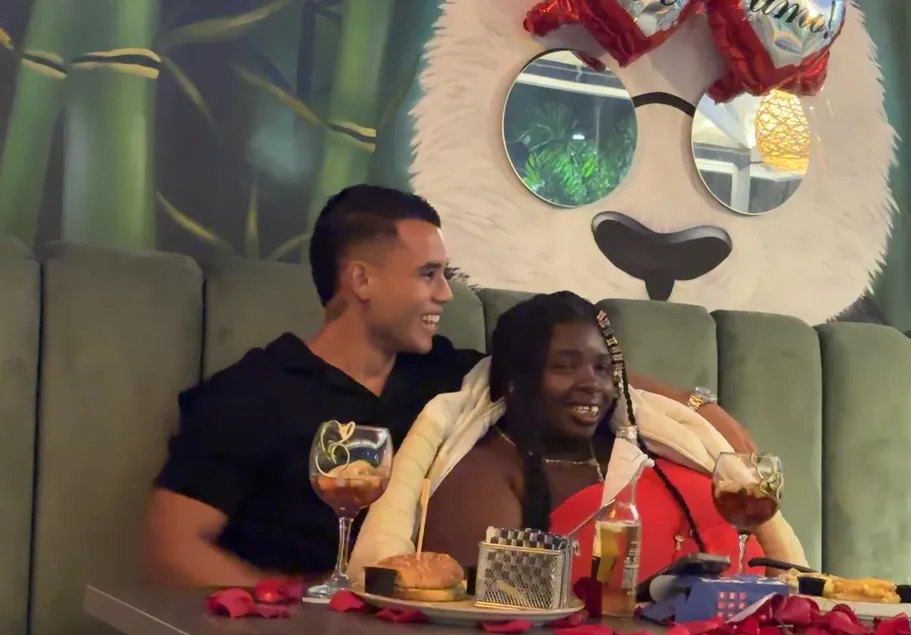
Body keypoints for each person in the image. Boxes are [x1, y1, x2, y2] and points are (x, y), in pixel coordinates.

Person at [142, 185, 759, 587]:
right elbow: (172, 546)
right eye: (429, 274)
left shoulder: (447, 377)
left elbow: (572, 377)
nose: (445, 294)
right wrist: (295, 603)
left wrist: (700, 408)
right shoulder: (250, 394)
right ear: (361, 280)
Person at [347, 291, 807, 585]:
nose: (593, 384)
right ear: (515, 382)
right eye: (565, 367)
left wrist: (698, 403)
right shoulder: (486, 473)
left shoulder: (650, 446)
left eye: (602, 369)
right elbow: (485, 612)